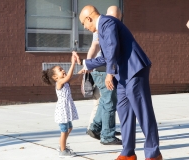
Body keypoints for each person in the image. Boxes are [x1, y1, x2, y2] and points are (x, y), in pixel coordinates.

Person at [74, 5, 163, 160]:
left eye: (83, 23)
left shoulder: (107, 23)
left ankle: (153, 154)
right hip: (122, 75)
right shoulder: (103, 28)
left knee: (143, 112)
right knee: (124, 113)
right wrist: (86, 63)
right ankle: (128, 153)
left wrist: (109, 73)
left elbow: (113, 48)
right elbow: (107, 55)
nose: (85, 27)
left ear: (89, 18)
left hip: (134, 71)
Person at [77, 6, 122, 145]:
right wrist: (88, 66)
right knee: (109, 101)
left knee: (104, 100)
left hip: (102, 68)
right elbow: (95, 47)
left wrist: (89, 65)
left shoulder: (107, 24)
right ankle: (107, 135)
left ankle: (95, 128)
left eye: (117, 18)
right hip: (102, 69)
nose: (114, 21)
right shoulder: (103, 25)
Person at [41, 55, 78, 158]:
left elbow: (73, 77)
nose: (63, 70)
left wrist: (82, 71)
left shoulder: (66, 82)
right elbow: (70, 77)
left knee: (69, 128)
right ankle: (63, 151)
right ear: (55, 77)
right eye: (60, 70)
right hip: (62, 111)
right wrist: (73, 63)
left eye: (62, 69)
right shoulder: (59, 82)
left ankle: (61, 145)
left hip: (67, 110)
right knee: (64, 131)